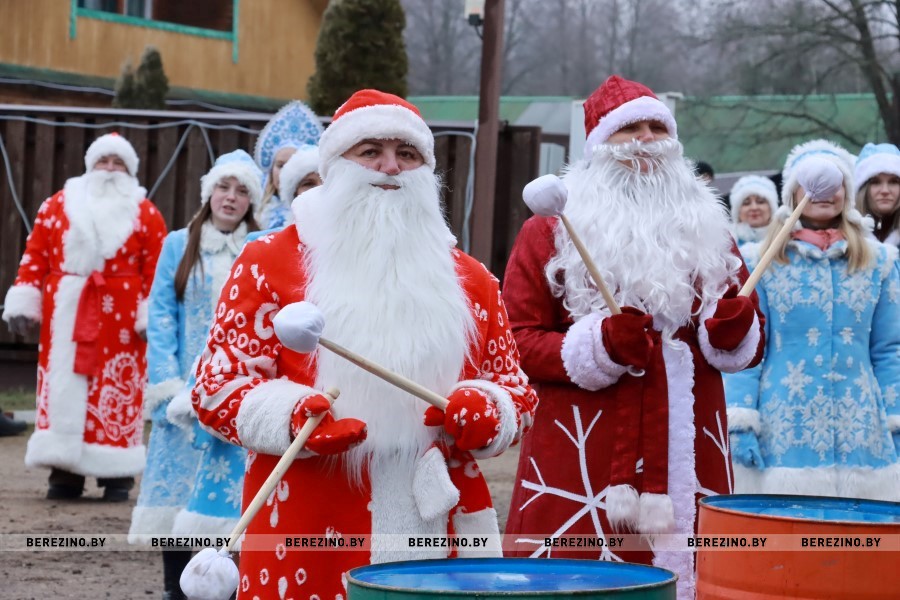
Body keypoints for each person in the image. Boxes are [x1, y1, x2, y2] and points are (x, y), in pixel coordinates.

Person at [192, 89, 538, 599]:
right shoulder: (267, 262)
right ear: (335, 165)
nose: (390, 166)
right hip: (308, 513)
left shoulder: (473, 280)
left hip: (437, 520)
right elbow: (215, 387)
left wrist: (491, 410)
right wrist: (292, 416)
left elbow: (516, 391)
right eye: (371, 150)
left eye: (408, 153)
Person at [502, 75, 764, 597]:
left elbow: (738, 337)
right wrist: (598, 346)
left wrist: (735, 333)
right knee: (575, 578)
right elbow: (518, 340)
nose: (647, 140)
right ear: (600, 145)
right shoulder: (549, 230)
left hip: (692, 439)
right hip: (583, 447)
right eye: (630, 129)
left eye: (657, 128)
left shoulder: (711, 230)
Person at [725, 139, 900, 501]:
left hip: (863, 432)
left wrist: (896, 420)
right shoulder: (759, 262)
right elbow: (747, 350)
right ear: (792, 192)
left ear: (847, 192)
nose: (824, 193)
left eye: (834, 183)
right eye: (811, 183)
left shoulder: (880, 262)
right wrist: (740, 420)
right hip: (783, 429)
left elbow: (890, 349)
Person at [1, 132, 167, 501]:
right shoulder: (57, 205)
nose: (109, 170)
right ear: (90, 166)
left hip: (122, 320)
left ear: (130, 171)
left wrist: (149, 314)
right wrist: (25, 299)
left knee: (115, 388)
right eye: (103, 161)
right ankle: (64, 470)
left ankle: (116, 473)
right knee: (64, 383)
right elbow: (35, 254)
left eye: (118, 163)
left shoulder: (145, 213)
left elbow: (157, 268)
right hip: (66, 313)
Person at [128, 150, 261, 600]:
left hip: (233, 391)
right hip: (181, 394)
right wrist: (167, 386)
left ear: (251, 201)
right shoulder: (177, 244)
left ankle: (224, 587)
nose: (231, 197)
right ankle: (175, 590)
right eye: (224, 187)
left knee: (223, 498)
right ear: (209, 193)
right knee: (173, 496)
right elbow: (161, 316)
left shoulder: (258, 247)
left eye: (242, 191)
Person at [253, 100, 324, 229]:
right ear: (271, 169)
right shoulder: (254, 207)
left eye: (291, 165)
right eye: (280, 165)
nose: (285, 172)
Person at [854, 142, 900, 247]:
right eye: (875, 182)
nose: (885, 191)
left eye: (893, 182)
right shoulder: (844, 238)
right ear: (863, 189)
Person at [729, 174, 778, 246]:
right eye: (746, 203)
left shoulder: (788, 242)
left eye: (760, 202)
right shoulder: (726, 245)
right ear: (737, 211)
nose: (754, 207)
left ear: (771, 208)